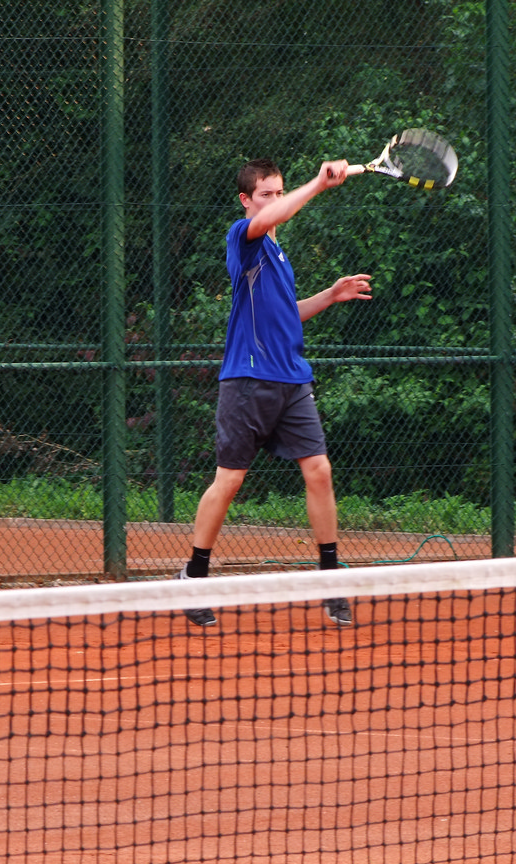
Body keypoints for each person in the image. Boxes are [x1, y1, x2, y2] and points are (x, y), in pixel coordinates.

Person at [175, 156, 372, 627]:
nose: (275, 201)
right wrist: (317, 186)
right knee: (230, 482)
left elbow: (286, 313)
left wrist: (330, 295)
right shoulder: (243, 239)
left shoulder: (279, 259)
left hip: (292, 380)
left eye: (280, 193)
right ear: (246, 201)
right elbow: (270, 219)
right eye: (266, 194)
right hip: (247, 380)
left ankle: (329, 579)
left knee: (319, 471)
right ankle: (193, 577)